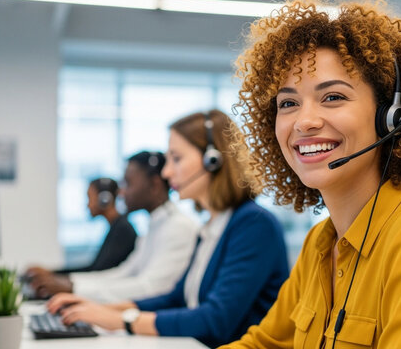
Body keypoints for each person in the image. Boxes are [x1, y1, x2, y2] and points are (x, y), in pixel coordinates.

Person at [221, 0, 401, 348]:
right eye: (288, 103)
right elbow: (263, 344)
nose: (305, 121)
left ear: (389, 118)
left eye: (333, 97)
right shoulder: (320, 243)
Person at [47, 110, 289, 348]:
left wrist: (121, 320)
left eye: (176, 158)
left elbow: (215, 320)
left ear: (213, 161)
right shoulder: (212, 225)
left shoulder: (254, 224)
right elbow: (176, 298)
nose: (166, 171)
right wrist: (99, 309)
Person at [30, 151, 198, 302]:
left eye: (128, 183)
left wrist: (73, 287)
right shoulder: (155, 225)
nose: (121, 192)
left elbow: (150, 288)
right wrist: (70, 283)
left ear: (154, 185)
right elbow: (124, 273)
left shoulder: (178, 227)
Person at [26, 178, 137, 282]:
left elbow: (98, 272)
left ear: (104, 199)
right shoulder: (116, 226)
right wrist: (51, 273)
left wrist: (54, 276)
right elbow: (94, 268)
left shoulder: (122, 229)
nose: (87, 205)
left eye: (89, 198)